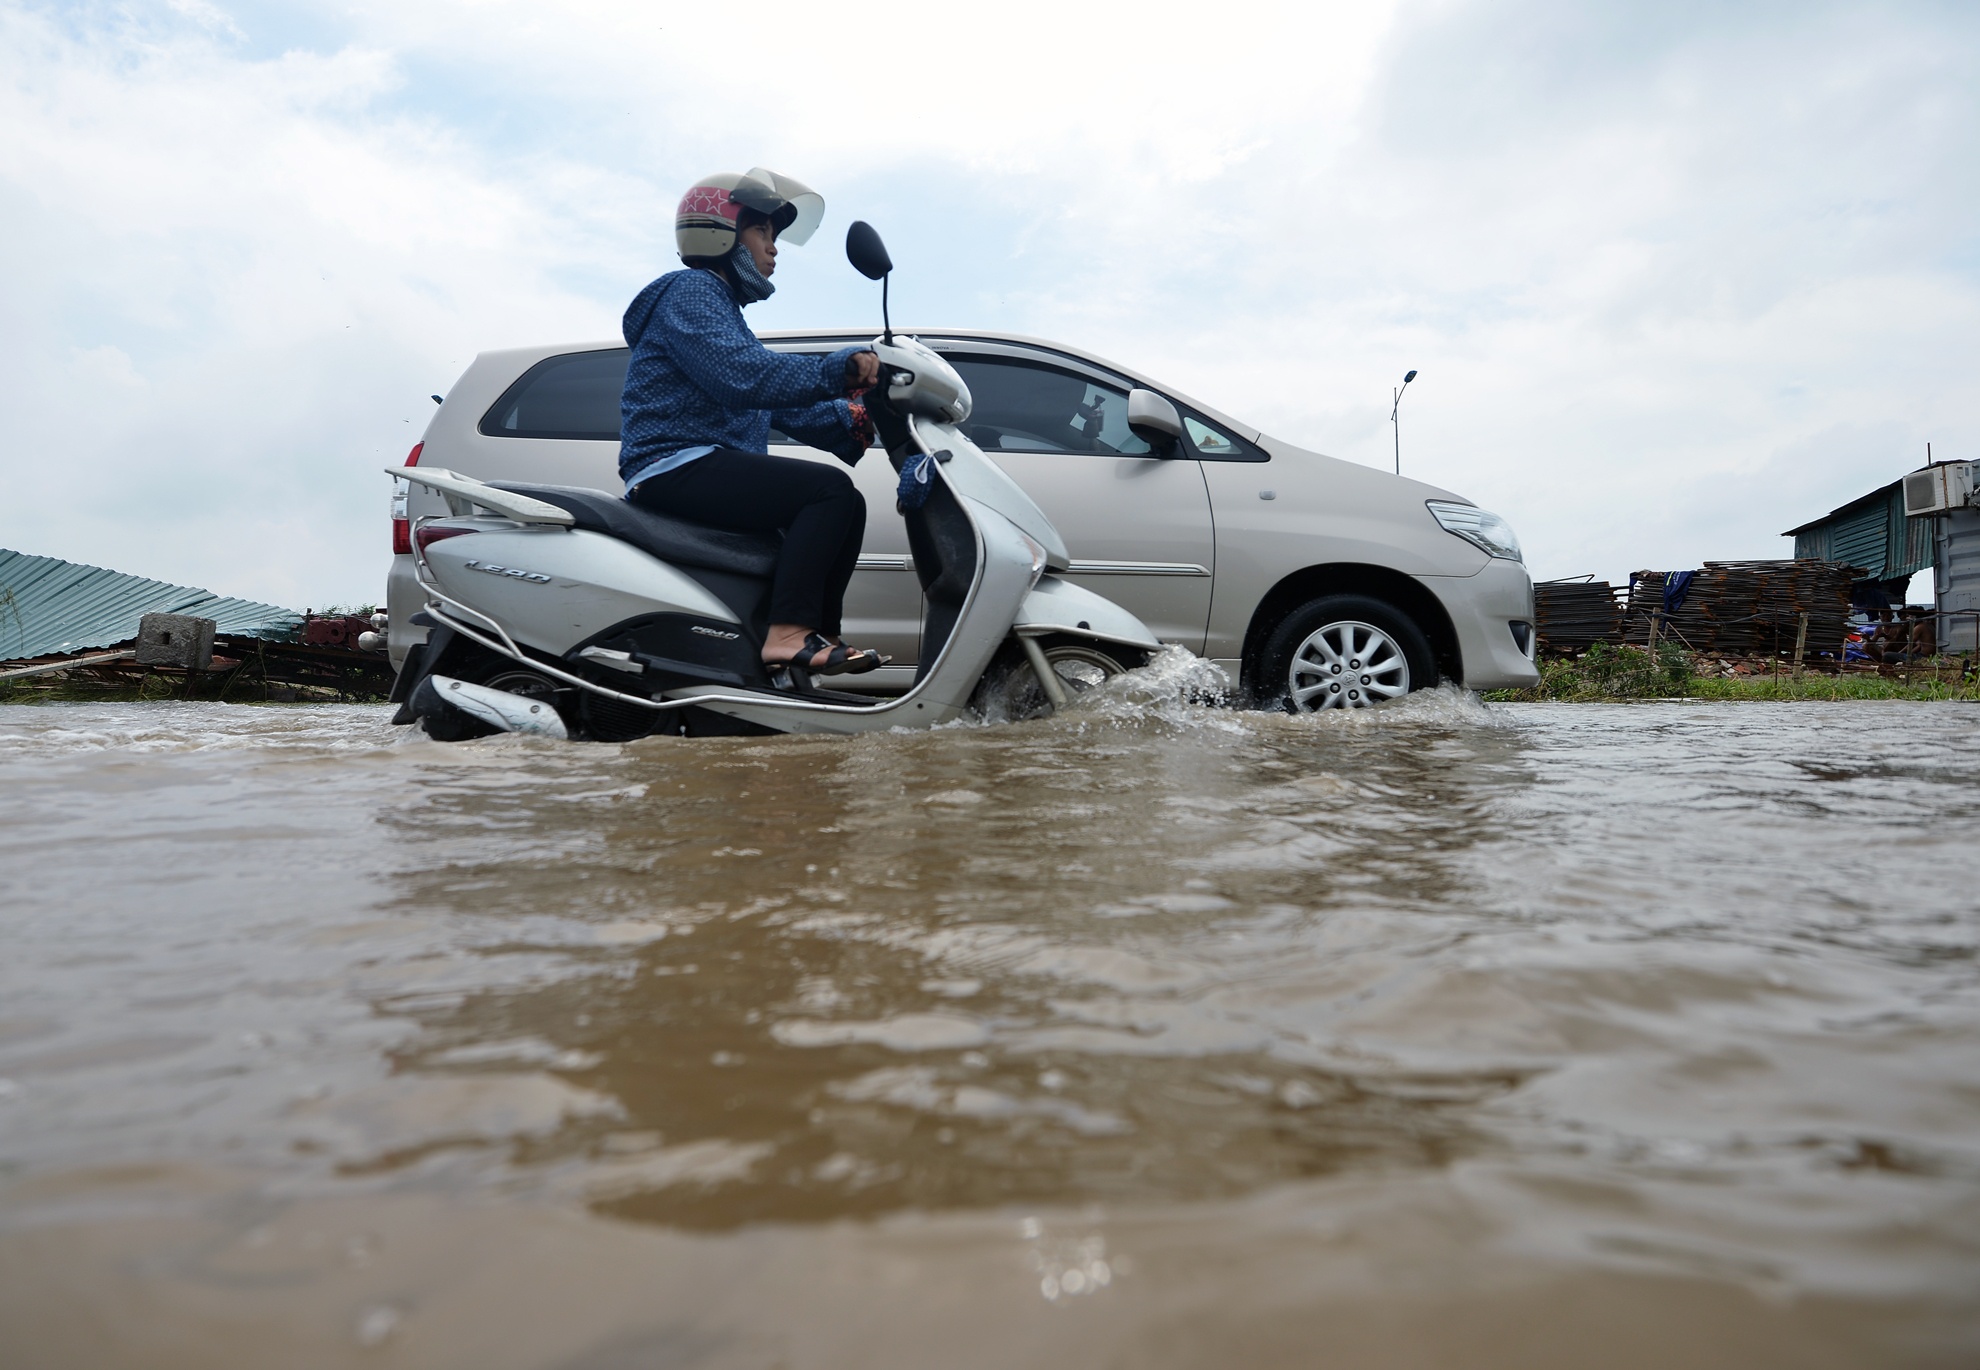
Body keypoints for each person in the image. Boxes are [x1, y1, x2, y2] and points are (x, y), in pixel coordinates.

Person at [619, 168, 887, 677]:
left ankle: (812, 635)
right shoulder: (691, 290)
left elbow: (768, 400)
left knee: (846, 502)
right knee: (827, 491)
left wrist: (854, 420)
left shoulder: (721, 311)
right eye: (764, 231)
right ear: (721, 232)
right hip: (672, 463)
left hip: (704, 462)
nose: (774, 248)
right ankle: (788, 633)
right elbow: (744, 377)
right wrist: (841, 368)